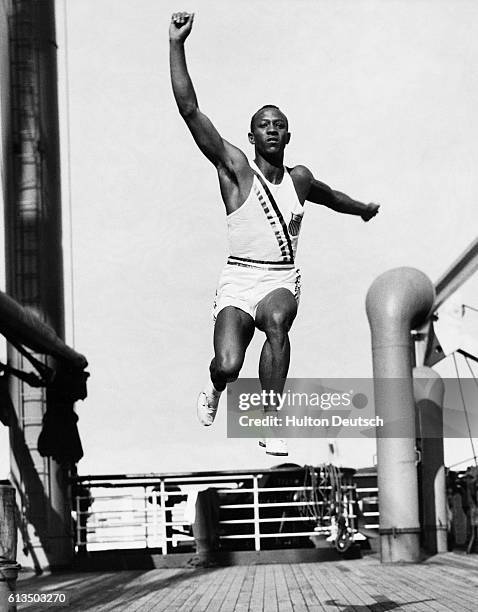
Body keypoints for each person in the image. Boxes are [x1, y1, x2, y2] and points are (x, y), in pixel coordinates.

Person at [169, 12, 380, 456]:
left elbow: (330, 196)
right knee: (228, 364)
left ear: (288, 134)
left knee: (279, 323)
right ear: (251, 135)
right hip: (238, 278)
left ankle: (270, 418)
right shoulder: (236, 171)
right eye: (264, 123)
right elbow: (190, 111)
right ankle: (214, 388)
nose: (271, 128)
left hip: (279, 278)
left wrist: (361, 210)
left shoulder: (299, 179)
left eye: (278, 123)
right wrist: (176, 44)